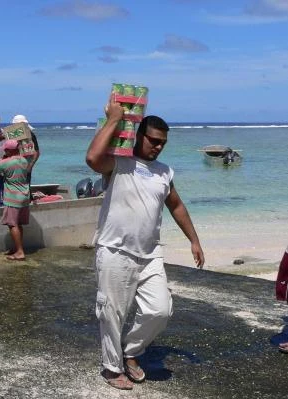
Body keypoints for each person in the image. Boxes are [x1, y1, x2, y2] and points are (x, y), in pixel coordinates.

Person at [85, 96, 205, 390]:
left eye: (162, 142)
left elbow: (175, 205)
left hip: (150, 253)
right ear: (139, 137)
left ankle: (131, 351)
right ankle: (112, 368)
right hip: (115, 249)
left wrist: (194, 240)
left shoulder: (164, 171)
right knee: (111, 311)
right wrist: (115, 119)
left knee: (159, 310)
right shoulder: (119, 162)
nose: (158, 146)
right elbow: (92, 159)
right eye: (153, 140)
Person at [0, 139, 31, 261]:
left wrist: (2, 158)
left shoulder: (7, 162)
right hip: (25, 196)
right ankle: (17, 248)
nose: (4, 151)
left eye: (5, 149)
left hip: (13, 198)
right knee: (18, 224)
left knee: (12, 224)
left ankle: (20, 251)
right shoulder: (24, 160)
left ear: (9, 150)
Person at [10, 114, 40, 184]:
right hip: (14, 167)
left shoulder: (31, 134)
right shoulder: (12, 135)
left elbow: (37, 152)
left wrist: (30, 166)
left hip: (25, 166)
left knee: (24, 187)